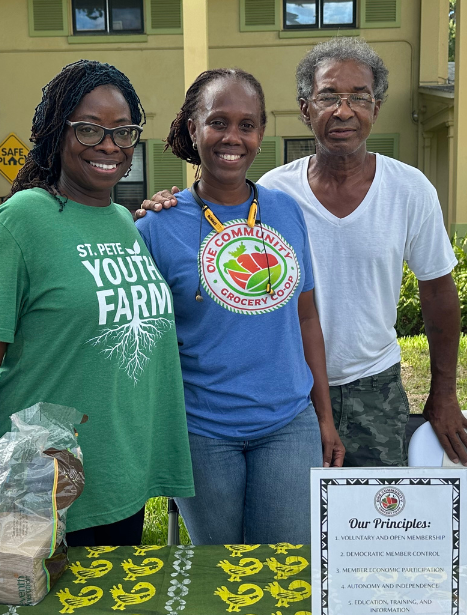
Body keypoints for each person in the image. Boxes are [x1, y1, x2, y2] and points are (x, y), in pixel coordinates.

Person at [140, 38, 467, 467]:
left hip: (374, 383)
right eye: (328, 97)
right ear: (306, 110)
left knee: (376, 520)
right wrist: (166, 206)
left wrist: (444, 393)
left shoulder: (409, 189)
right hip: (287, 398)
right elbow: (206, 223)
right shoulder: (274, 193)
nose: (344, 111)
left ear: (376, 109)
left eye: (359, 97)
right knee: (295, 527)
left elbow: (438, 294)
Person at [0, 60, 193, 547]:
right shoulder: (20, 222)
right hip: (41, 483)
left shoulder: (126, 221)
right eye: (89, 129)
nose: (109, 145)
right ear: (56, 133)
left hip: (120, 475)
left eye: (123, 132)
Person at [136, 69, 343, 546]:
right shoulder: (155, 228)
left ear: (261, 134)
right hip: (203, 432)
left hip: (288, 425)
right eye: (218, 122)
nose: (233, 137)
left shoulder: (286, 211)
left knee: (285, 570)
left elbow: (307, 318)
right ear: (193, 128)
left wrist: (324, 419)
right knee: (221, 576)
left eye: (247, 125)